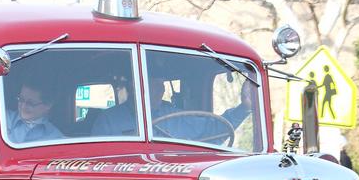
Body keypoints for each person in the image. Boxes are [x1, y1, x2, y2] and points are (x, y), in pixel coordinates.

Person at [93, 76, 254, 143]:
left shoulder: (176, 115)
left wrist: (244, 108)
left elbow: (214, 131)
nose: (160, 91)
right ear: (134, 87)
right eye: (153, 85)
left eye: (161, 85)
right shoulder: (109, 121)